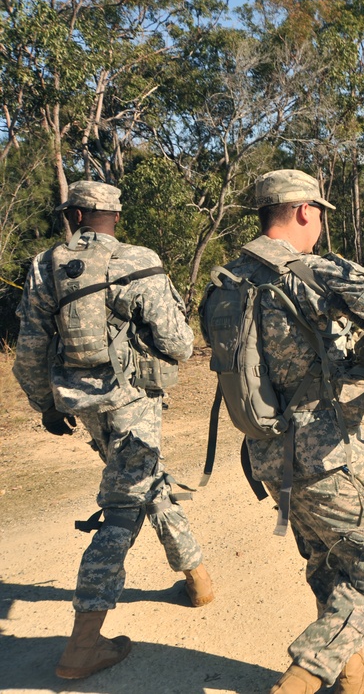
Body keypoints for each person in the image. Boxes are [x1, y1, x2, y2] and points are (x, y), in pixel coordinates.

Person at [200, 169, 364, 694]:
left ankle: (352, 671)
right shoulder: (316, 273)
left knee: (326, 562)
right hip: (327, 457)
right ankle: (303, 677)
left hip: (267, 454)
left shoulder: (225, 283)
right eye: (319, 213)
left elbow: (277, 362)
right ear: (303, 211)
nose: (319, 222)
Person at [13, 181, 212, 680]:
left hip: (83, 406)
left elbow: (30, 350)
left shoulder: (45, 265)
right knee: (125, 503)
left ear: (74, 216)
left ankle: (198, 579)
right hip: (132, 402)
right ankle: (83, 643)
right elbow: (179, 344)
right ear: (115, 218)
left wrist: (45, 405)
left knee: (145, 480)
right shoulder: (138, 261)